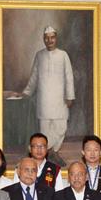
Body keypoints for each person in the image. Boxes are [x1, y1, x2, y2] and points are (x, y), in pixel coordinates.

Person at [18, 26, 75, 154]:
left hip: (60, 98)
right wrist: (27, 92)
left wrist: (70, 96)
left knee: (61, 126)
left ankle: (51, 151)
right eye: (47, 38)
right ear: (44, 39)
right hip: (44, 99)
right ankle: (50, 153)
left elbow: (69, 76)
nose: (49, 40)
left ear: (56, 38)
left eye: (52, 37)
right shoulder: (39, 55)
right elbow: (34, 76)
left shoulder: (63, 55)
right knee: (45, 128)